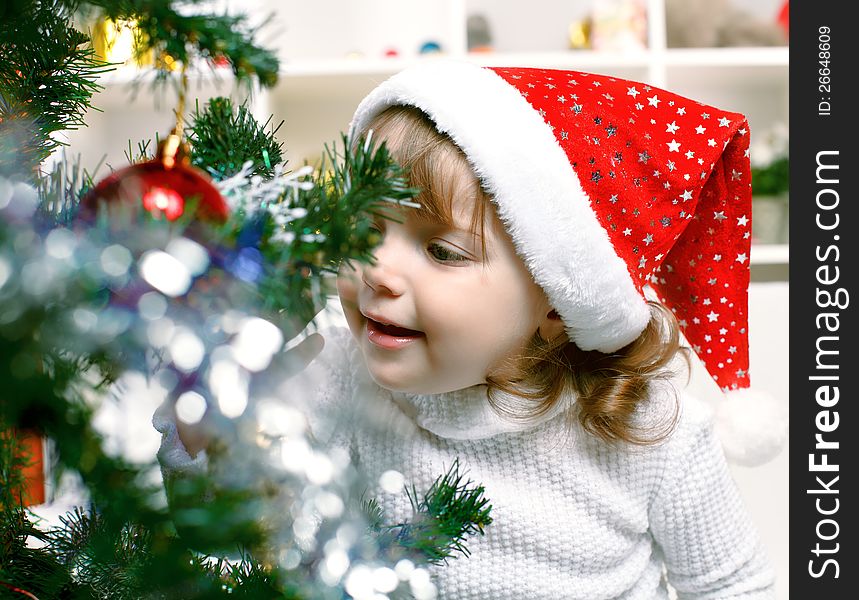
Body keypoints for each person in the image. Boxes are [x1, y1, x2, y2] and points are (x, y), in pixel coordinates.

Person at [155, 60, 783, 598]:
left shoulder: (651, 431)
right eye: (365, 227)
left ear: (559, 302)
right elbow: (235, 541)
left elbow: (734, 585)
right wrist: (205, 423)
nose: (376, 270)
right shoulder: (336, 373)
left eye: (443, 252)